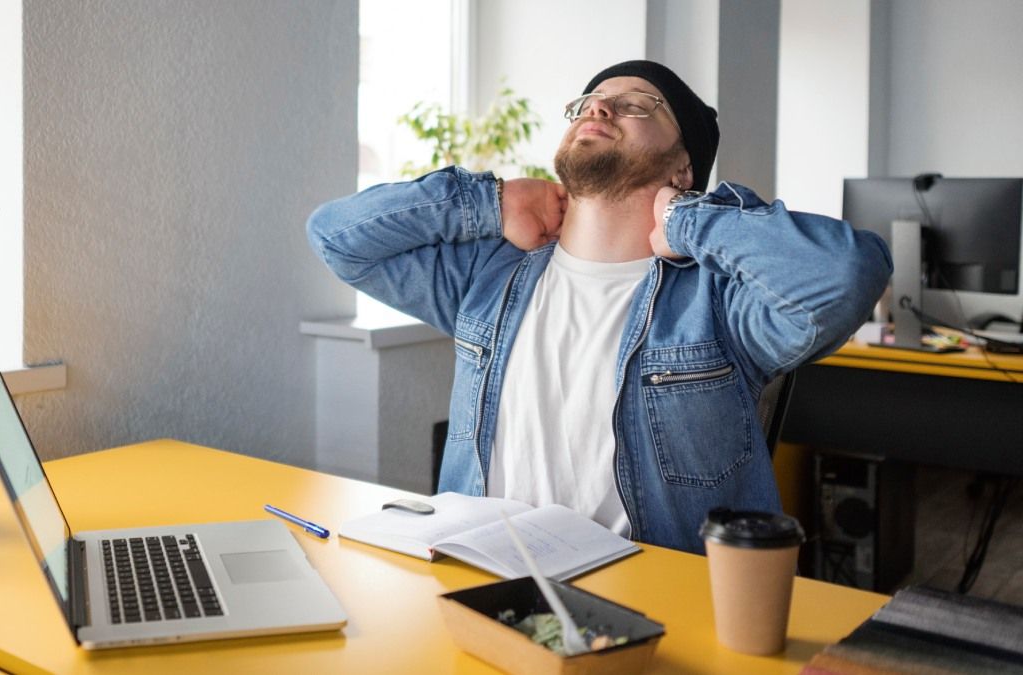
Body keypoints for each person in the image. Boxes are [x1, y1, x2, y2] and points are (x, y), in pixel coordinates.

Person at [306, 60, 891, 554]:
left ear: (683, 168)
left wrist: (686, 220)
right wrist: (489, 202)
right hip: (485, 579)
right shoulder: (487, 276)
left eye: (638, 104)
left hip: (651, 596)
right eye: (590, 101)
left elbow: (847, 274)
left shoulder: (718, 301)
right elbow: (336, 236)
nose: (600, 108)